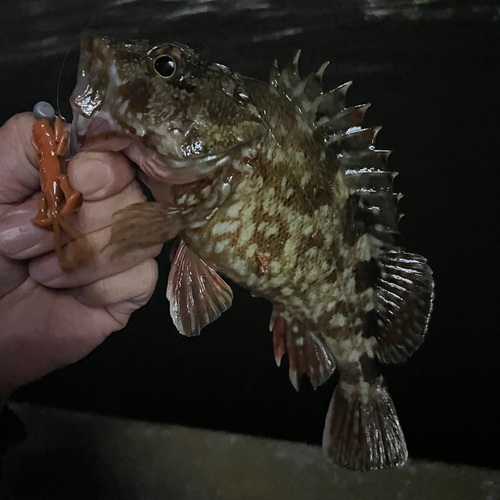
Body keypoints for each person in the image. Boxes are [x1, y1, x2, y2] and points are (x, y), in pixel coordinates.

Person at [0, 112, 162, 412]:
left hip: (58, 186)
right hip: (53, 189)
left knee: (66, 217)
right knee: (62, 219)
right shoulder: (44, 152)